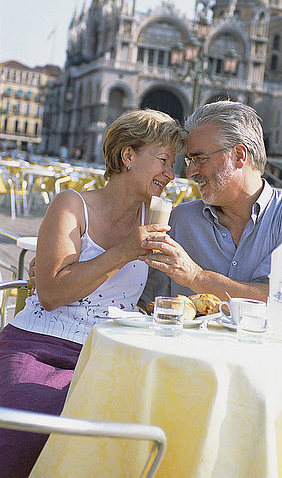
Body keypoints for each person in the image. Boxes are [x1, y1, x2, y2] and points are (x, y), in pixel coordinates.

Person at [0, 109, 186, 478]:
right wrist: (122, 253)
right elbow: (51, 294)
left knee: (132, 431)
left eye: (174, 163)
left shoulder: (161, 215)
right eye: (163, 161)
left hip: (110, 351)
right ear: (127, 155)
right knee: (22, 429)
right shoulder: (71, 205)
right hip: (39, 341)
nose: (171, 174)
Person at [140, 101, 282, 341]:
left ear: (239, 155)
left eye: (200, 159)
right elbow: (148, 305)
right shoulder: (179, 220)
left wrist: (196, 277)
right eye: (189, 161)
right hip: (200, 367)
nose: (190, 172)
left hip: (281, 366)